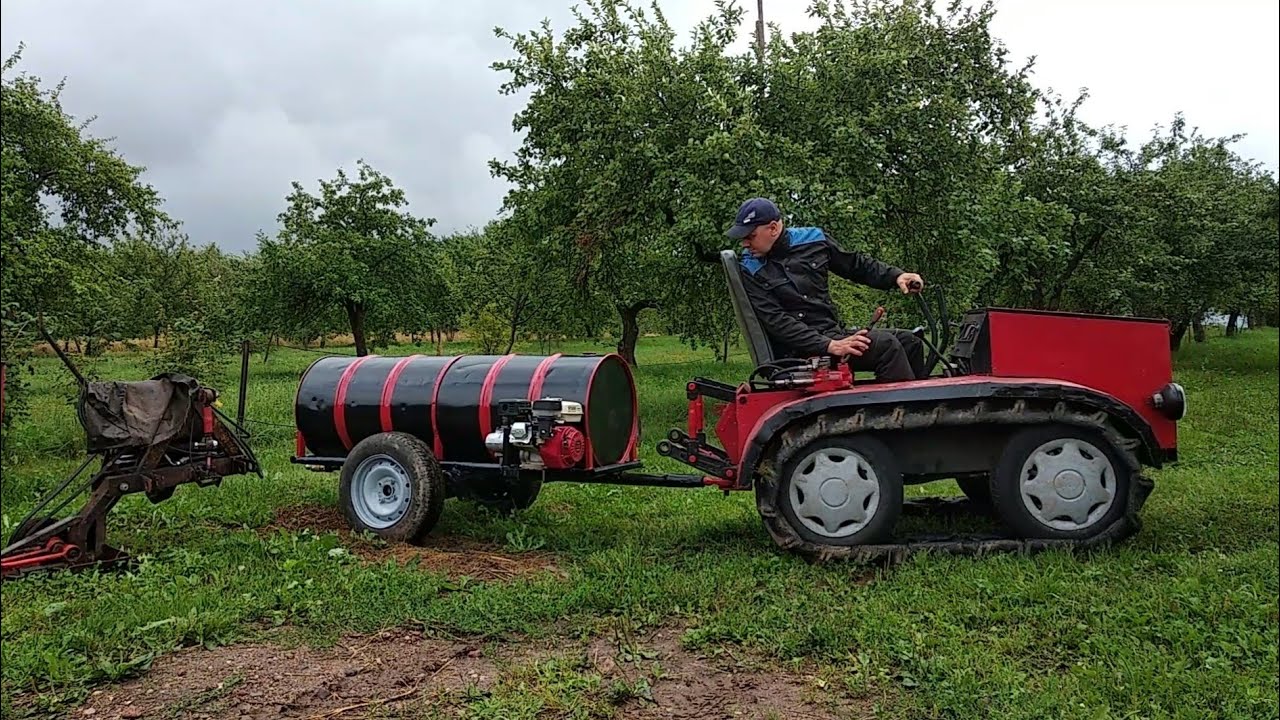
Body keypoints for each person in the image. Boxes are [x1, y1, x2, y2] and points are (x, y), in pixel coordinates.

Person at [726, 197, 927, 382]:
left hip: (832, 334)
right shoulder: (750, 269)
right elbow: (777, 322)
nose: (744, 243)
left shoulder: (814, 239)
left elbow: (855, 265)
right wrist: (830, 345)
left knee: (911, 342)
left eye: (750, 236)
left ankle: (928, 410)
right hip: (800, 351)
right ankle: (902, 415)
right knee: (886, 346)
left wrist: (896, 276)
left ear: (772, 228)